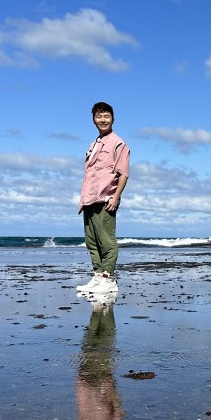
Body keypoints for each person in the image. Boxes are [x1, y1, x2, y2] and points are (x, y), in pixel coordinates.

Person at [76, 102, 130, 295]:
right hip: (90, 199)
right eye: (99, 116)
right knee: (92, 242)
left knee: (107, 241)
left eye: (106, 116)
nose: (103, 119)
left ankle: (109, 279)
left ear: (113, 118)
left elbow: (123, 173)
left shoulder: (118, 143)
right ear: (93, 120)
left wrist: (116, 198)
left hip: (106, 198)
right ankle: (98, 277)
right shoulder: (94, 144)